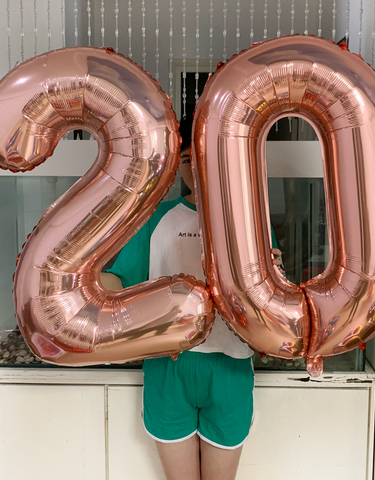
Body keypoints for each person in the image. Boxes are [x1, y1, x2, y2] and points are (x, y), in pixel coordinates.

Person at [101, 116, 282, 480]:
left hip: (229, 364)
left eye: (204, 156)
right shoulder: (156, 218)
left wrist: (274, 276)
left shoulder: (250, 220)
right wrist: (77, 279)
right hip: (169, 366)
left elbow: (270, 302)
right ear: (176, 164)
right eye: (187, 159)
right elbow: (119, 281)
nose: (196, 168)